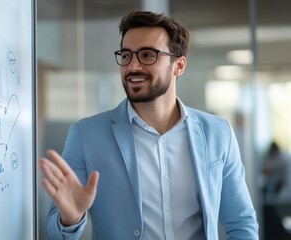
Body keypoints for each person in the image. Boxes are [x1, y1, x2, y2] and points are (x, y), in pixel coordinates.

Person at [39, 10, 259, 240]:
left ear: (179, 66)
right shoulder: (86, 135)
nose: (132, 66)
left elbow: (241, 222)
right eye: (126, 56)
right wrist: (71, 219)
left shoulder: (217, 132)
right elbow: (56, 234)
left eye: (147, 55)